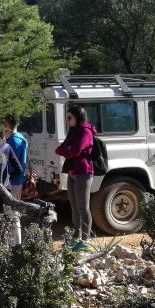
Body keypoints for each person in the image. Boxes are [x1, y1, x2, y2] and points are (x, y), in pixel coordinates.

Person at [55, 105, 97, 251]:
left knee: (83, 208)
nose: (68, 121)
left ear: (77, 117)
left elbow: (74, 150)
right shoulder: (74, 131)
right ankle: (76, 237)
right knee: (74, 206)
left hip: (83, 172)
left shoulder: (85, 132)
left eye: (69, 117)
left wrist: (67, 150)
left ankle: (86, 240)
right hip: (72, 173)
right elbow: (61, 149)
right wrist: (67, 150)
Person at [4, 117, 29, 200]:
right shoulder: (19, 137)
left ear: (7, 124)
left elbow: (10, 164)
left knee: (11, 208)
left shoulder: (13, 141)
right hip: (17, 180)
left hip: (13, 182)